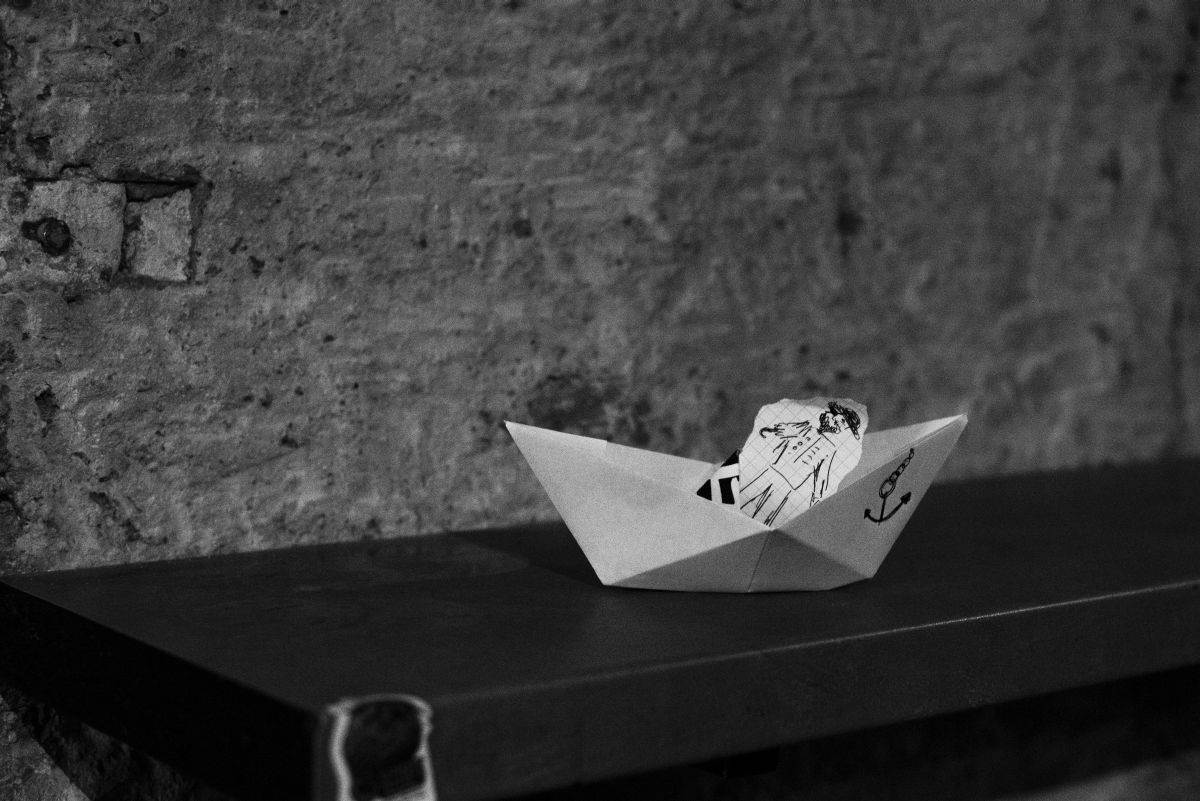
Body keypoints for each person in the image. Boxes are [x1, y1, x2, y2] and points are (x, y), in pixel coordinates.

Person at [738, 399, 865, 527]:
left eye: (844, 425)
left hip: (788, 484)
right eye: (842, 420)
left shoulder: (829, 448)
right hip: (773, 470)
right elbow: (787, 430)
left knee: (766, 516)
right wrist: (771, 430)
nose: (840, 425)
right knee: (744, 500)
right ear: (836, 414)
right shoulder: (807, 427)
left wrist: (817, 497)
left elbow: (822, 475)